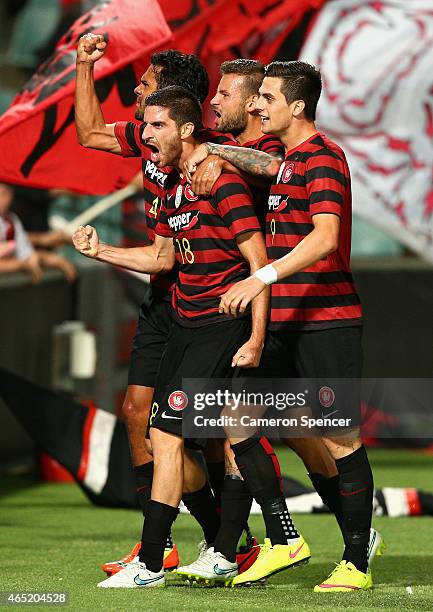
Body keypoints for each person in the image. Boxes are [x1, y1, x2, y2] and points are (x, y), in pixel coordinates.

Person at [73, 86, 308, 588]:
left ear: (185, 129)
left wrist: (256, 338)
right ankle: (192, 554)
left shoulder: (220, 183)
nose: (146, 134)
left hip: (222, 326)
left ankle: (174, 558)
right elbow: (161, 259)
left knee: (203, 436)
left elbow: (258, 265)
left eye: (156, 125)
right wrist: (103, 251)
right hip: (185, 323)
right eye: (145, 125)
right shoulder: (172, 189)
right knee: (172, 437)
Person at [184, 61, 375, 592]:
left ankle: (356, 561)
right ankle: (285, 536)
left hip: (326, 322)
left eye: (265, 97)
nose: (254, 105)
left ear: (296, 107)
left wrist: (259, 276)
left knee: (339, 439)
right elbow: (262, 168)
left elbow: (325, 238)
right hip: (285, 322)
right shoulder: (288, 160)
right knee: (237, 417)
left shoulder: (324, 157)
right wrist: (216, 149)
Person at [75, 34, 234, 574]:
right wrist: (83, 67)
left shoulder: (211, 154)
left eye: (144, 84)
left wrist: (219, 154)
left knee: (214, 435)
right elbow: (90, 132)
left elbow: (267, 165)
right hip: (161, 293)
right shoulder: (151, 142)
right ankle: (161, 542)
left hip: (209, 301)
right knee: (140, 415)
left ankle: (243, 538)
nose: (137, 91)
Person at [0, 182, 76, 282]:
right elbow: (22, 261)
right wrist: (20, 265)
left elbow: (26, 254)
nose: (5, 199)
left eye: (7, 193)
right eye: (2, 193)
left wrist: (57, 261)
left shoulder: (12, 220)